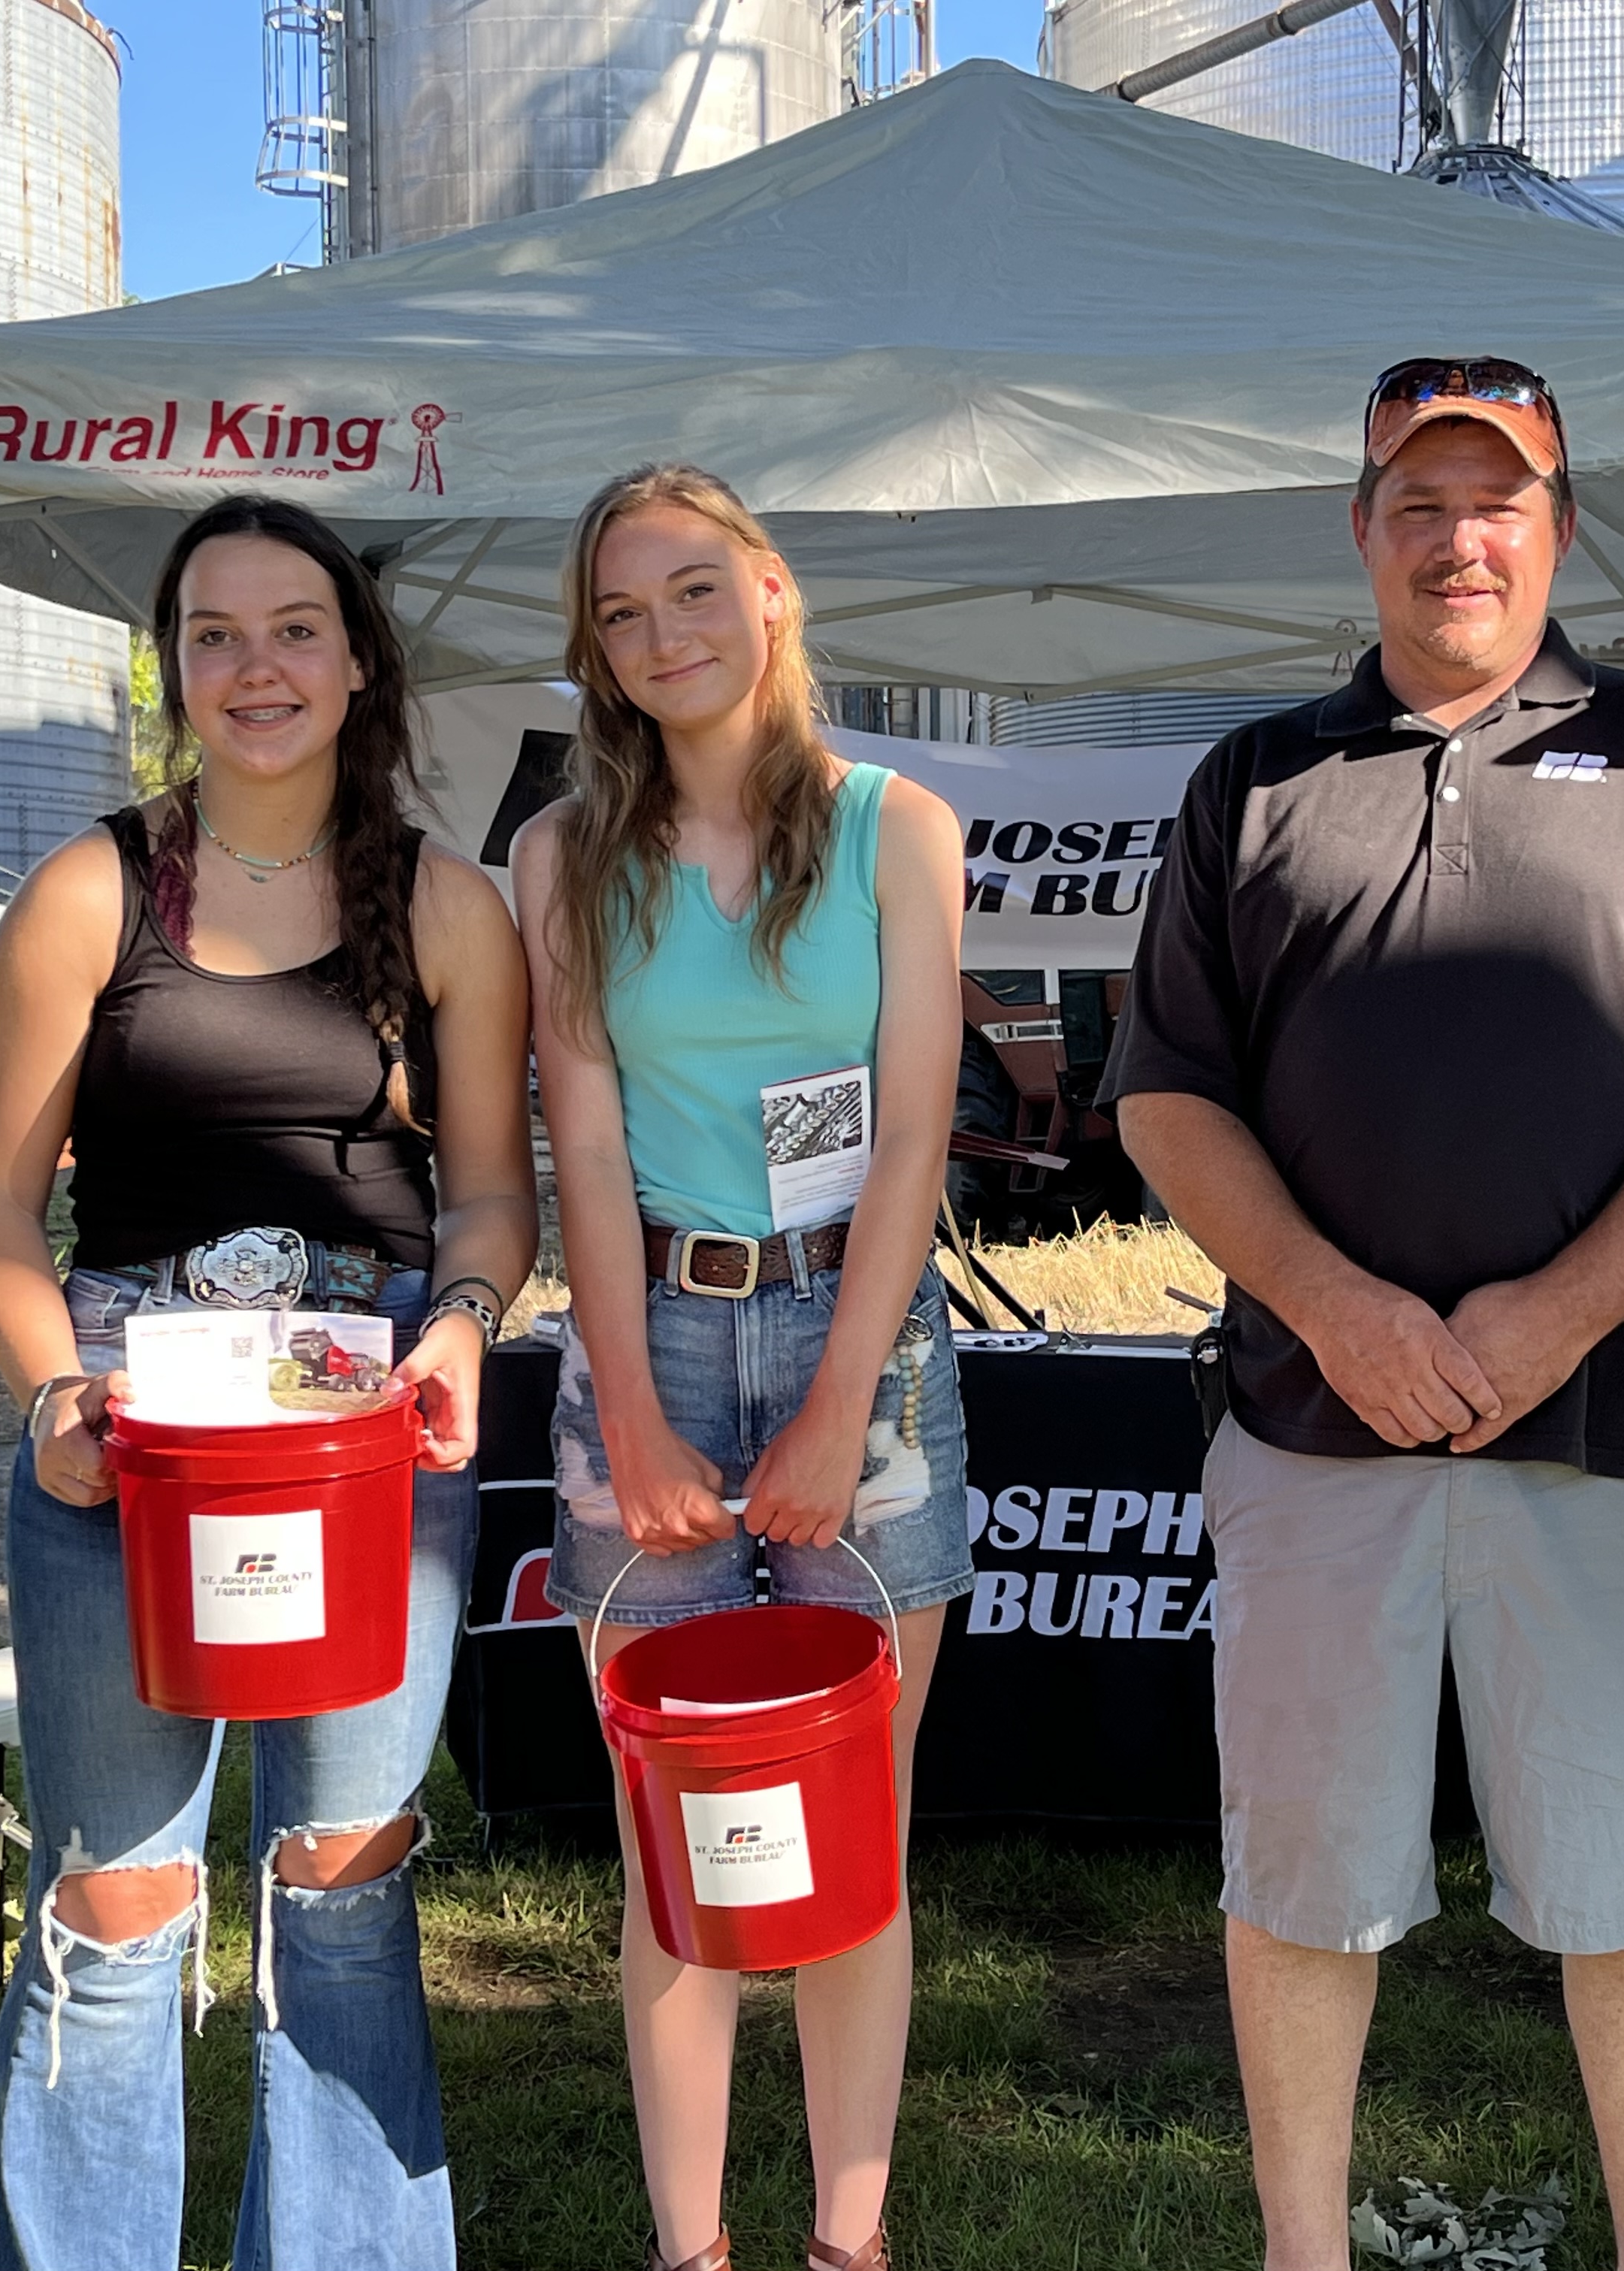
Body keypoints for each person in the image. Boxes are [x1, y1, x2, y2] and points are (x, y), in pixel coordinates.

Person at [1103, 358, 1624, 2271]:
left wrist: (1554, 1315)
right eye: (1414, 502)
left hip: (1604, 1431)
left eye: (1496, 499)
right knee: (1300, 1882)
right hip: (1307, 1424)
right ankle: (1300, 2247)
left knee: (1623, 1884)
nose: (1457, 538)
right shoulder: (1250, 778)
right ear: (1357, 530)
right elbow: (1168, 1092)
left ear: (1560, 524)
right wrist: (1339, 1309)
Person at [0, 494, 538, 2270]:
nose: (256, 665)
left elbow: (490, 1189)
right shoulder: (88, 888)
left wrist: (465, 1321)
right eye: (216, 632)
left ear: (358, 663)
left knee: (341, 1883)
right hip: (126, 1460)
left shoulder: (447, 905)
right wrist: (53, 1393)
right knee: (114, 1904)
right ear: (173, 668)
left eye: (295, 628)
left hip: (366, 1456)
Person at [513, 463, 971, 2271]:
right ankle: (688, 2246)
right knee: (675, 1846)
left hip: (864, 1332)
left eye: (691, 591)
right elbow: (586, 1149)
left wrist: (840, 1394)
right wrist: (625, 1405)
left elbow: (916, 1139)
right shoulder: (565, 853)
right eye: (619, 615)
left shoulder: (895, 827)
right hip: (651, 1335)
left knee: (856, 1828)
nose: (659, 639)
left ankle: (846, 2238)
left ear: (771, 592)